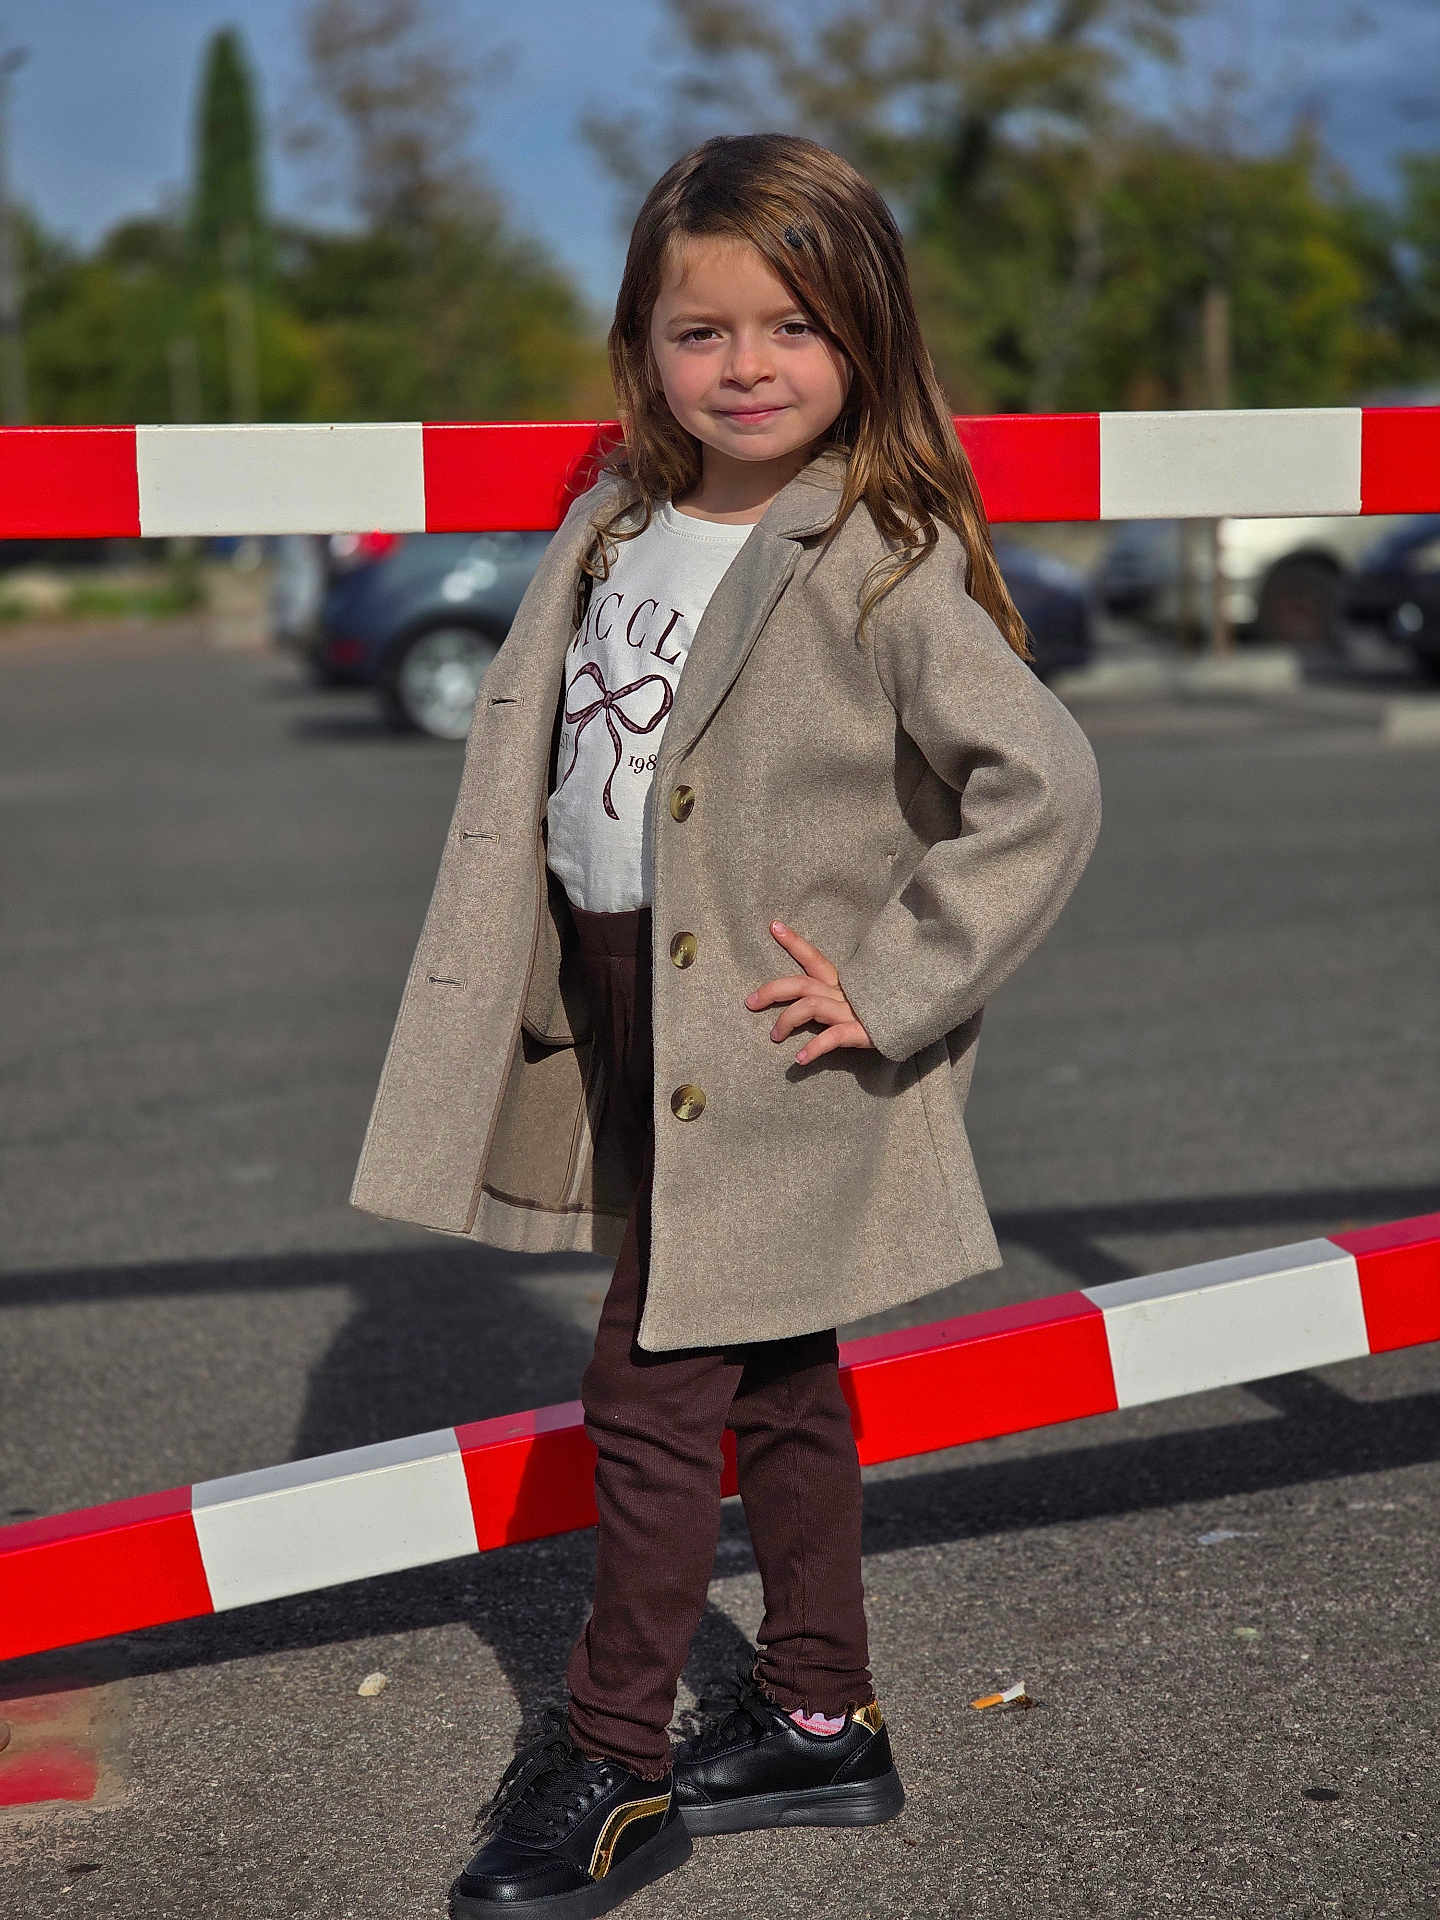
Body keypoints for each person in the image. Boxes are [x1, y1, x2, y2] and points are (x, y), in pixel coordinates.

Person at [349, 131, 1102, 1919]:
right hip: (622, 996)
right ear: (645, 344)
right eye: (703, 331)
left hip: (764, 1039)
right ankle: (821, 1718)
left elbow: (1046, 784)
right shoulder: (619, 517)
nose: (746, 366)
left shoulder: (879, 556)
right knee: (775, 1374)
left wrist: (895, 980)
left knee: (648, 1382)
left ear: (865, 337)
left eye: (792, 327)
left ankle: (615, 1756)